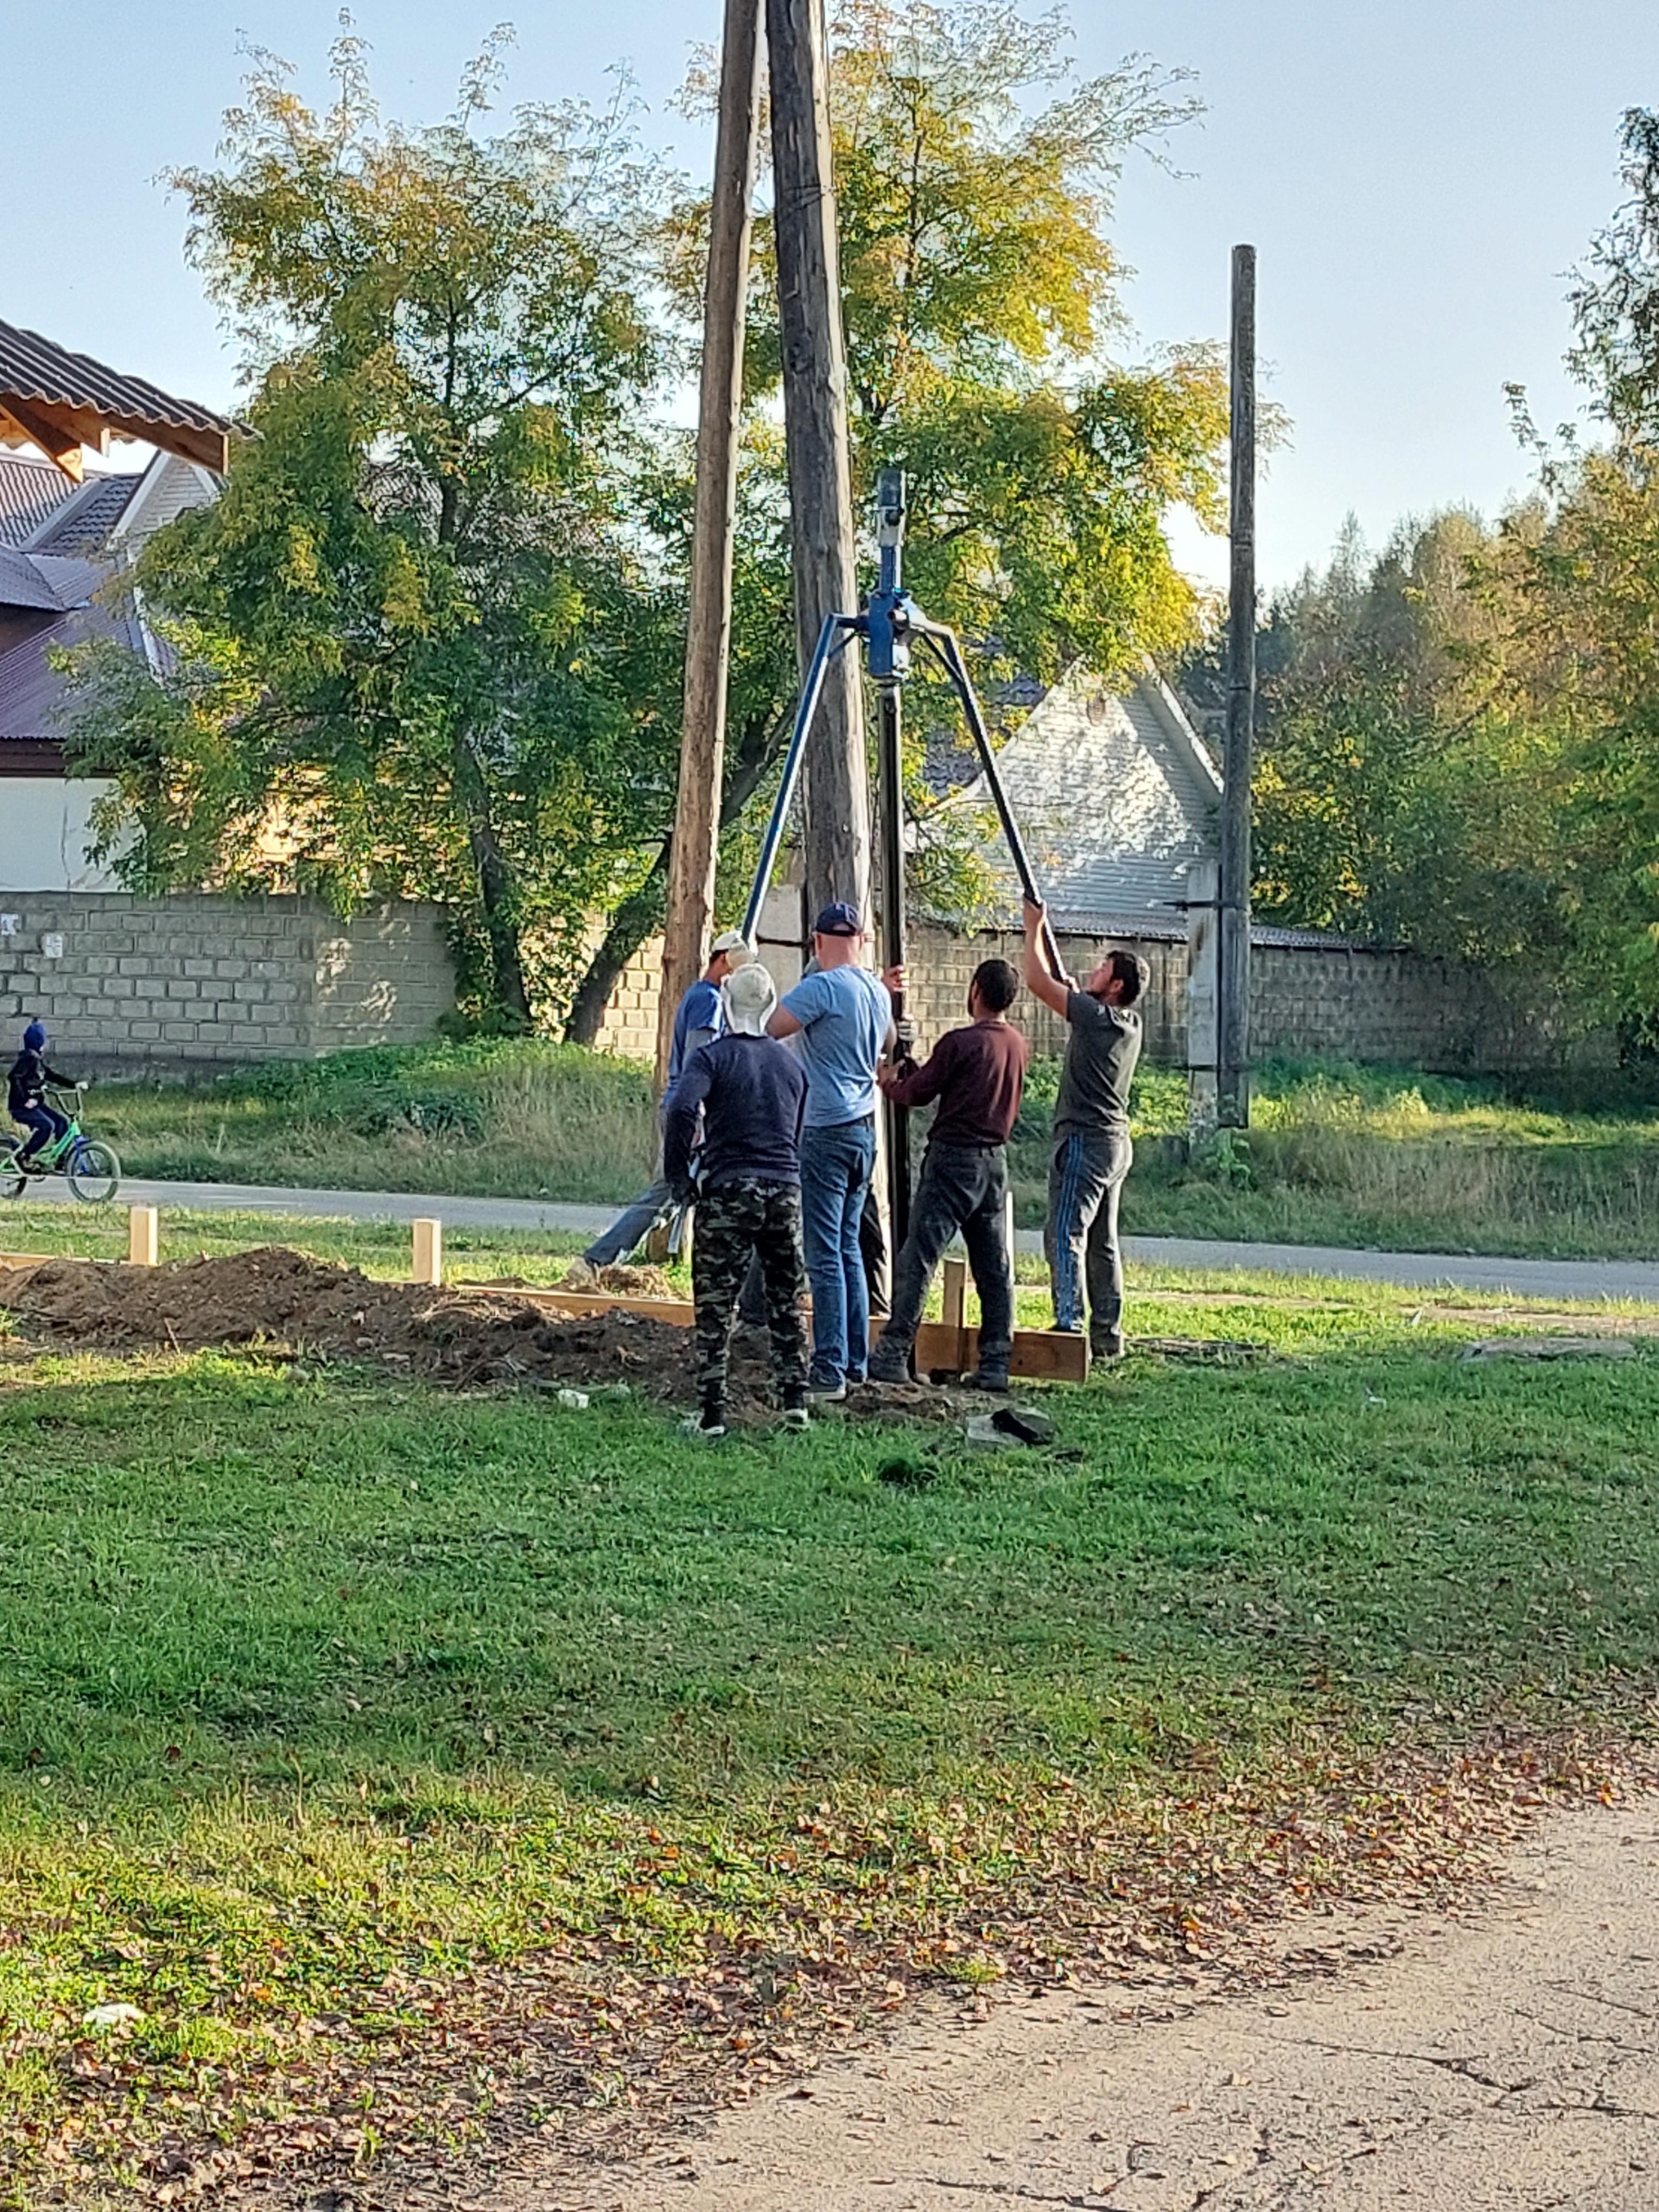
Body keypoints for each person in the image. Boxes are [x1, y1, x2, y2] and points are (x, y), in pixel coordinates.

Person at [868, 958, 1029, 1393]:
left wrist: (888, 1083)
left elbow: (919, 1093)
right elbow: (949, 1083)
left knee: (919, 1257)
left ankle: (892, 1352)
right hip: (994, 1163)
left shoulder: (960, 1042)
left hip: (952, 1160)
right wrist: (916, 1069)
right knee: (993, 1265)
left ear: (975, 990)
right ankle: (995, 1362)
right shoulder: (1016, 1044)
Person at [663, 961, 810, 1439]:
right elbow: (796, 1132)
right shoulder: (792, 1066)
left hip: (729, 1190)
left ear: (726, 1003)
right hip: (785, 1192)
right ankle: (795, 1405)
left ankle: (712, 1414)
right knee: (786, 1299)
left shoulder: (711, 1058)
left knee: (716, 1304)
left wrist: (677, 1175)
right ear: (770, 1005)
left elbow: (683, 1106)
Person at [766, 901, 893, 1400]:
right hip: (865, 1128)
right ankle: (855, 1361)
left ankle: (829, 1369)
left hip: (824, 1127)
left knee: (823, 1255)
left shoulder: (821, 987)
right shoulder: (876, 991)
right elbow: (885, 1046)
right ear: (860, 940)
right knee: (848, 1249)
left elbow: (771, 1026)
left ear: (817, 943)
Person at [575, 931, 753, 1272]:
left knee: (672, 1196)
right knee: (665, 1194)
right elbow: (698, 1063)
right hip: (690, 1113)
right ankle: (596, 1259)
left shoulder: (700, 996)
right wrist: (699, 1116)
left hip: (682, 1108)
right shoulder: (710, 1001)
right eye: (736, 969)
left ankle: (602, 1259)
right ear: (722, 961)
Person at [1021, 897, 1148, 1361]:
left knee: (1063, 1234)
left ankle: (1068, 1327)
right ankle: (1107, 1336)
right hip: (1116, 1144)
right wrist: (1076, 995)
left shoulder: (1095, 1017)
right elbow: (1081, 1009)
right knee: (1102, 1243)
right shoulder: (1127, 1023)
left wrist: (1032, 925)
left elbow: (1035, 980)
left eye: (1101, 970)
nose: (1093, 972)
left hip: (1084, 1143)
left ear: (1115, 986)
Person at [8, 1020, 78, 1172]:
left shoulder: (37, 1060)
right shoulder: (29, 1058)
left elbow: (50, 1075)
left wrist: (74, 1084)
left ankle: (60, 1161)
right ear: (39, 1041)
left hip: (36, 1105)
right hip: (21, 1107)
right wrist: (25, 1099)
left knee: (62, 1124)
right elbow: (14, 1077)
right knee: (47, 1126)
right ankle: (25, 1155)